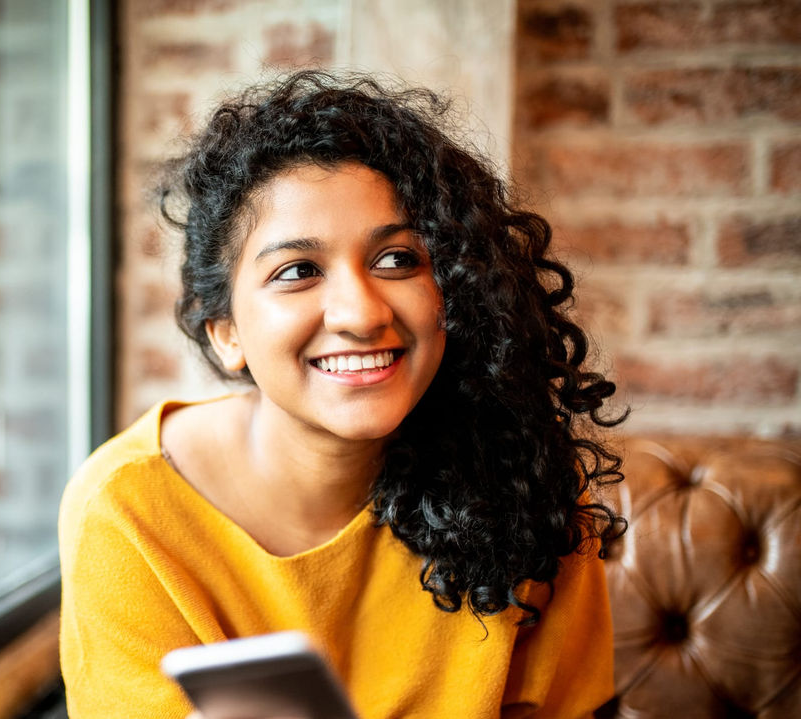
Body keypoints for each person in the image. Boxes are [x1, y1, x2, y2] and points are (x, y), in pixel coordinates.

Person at [58, 71, 627, 718]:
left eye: (397, 260)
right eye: (297, 271)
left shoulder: (524, 476)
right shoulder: (128, 512)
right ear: (227, 334)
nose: (360, 312)